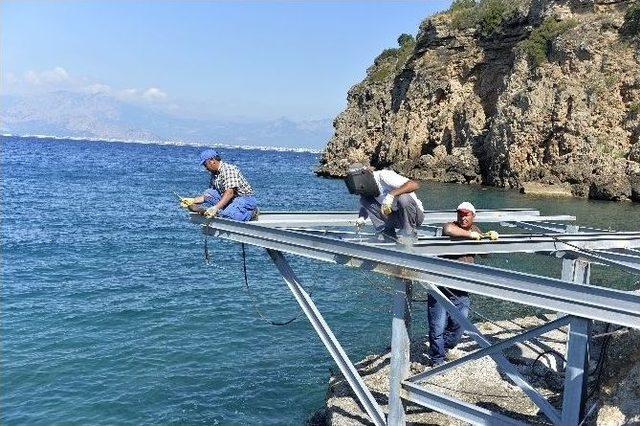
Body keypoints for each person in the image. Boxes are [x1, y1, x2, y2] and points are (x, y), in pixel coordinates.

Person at [427, 201, 499, 366]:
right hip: (440, 285)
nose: (462, 217)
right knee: (437, 326)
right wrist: (470, 236)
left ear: (473, 216)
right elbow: (448, 230)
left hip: (460, 287)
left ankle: (444, 347)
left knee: (459, 325)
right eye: (460, 214)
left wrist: (489, 239)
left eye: (466, 214)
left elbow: (486, 255)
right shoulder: (451, 226)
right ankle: (437, 359)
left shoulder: (476, 231)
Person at [346, 163, 424, 245]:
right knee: (364, 200)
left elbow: (415, 185)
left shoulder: (383, 175)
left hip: (415, 217)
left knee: (403, 198)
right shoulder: (366, 188)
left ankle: (409, 234)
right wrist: (361, 217)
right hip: (396, 219)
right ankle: (387, 234)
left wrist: (392, 194)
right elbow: (366, 205)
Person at [180, 149, 258, 221]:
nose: (205, 168)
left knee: (227, 216)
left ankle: (251, 213)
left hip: (244, 199)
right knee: (209, 192)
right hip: (231, 199)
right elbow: (209, 196)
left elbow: (230, 193)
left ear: (212, 161)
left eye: (205, 164)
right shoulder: (215, 174)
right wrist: (193, 200)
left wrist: (215, 208)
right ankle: (217, 211)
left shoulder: (229, 170)